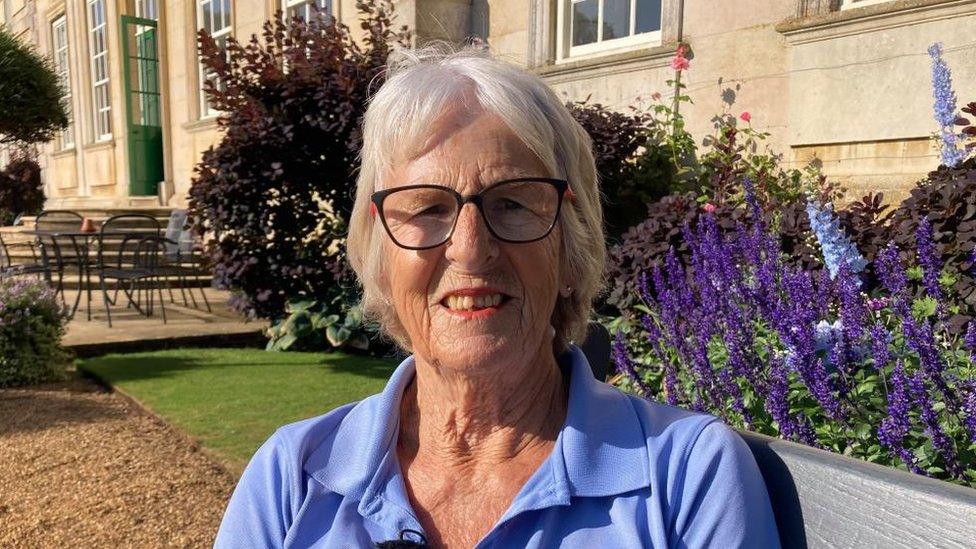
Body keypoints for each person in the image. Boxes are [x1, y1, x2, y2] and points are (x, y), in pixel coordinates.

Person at [214, 45, 781, 548]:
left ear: (571, 245)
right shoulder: (294, 475)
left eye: (513, 203)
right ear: (382, 254)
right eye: (427, 207)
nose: (469, 249)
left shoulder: (686, 477)